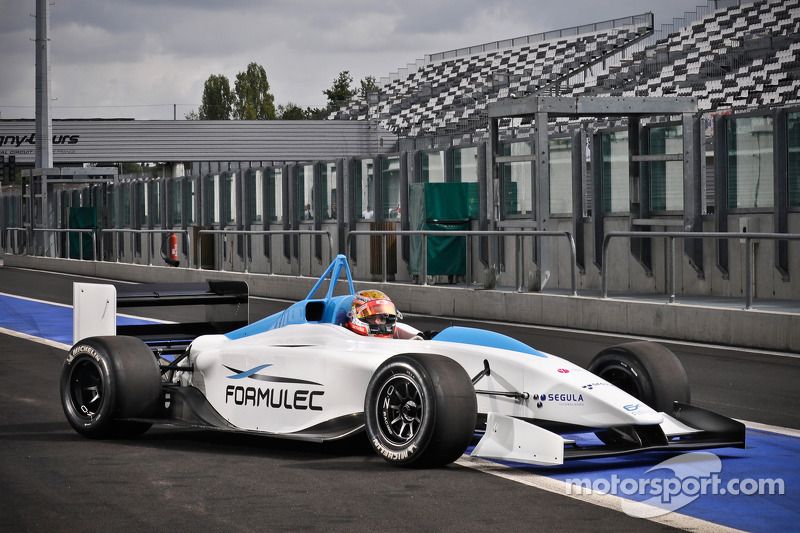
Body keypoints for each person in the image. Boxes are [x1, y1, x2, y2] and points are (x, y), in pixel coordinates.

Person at [344, 289, 422, 339]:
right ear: (355, 316)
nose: (378, 322)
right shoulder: (343, 337)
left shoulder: (398, 332)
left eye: (382, 318)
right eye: (371, 318)